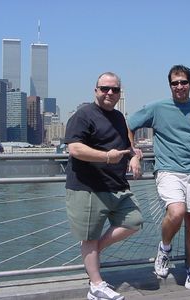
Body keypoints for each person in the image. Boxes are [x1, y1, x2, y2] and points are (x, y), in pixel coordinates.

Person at [127, 65, 190, 294]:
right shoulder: (157, 108)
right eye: (175, 83)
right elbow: (129, 125)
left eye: (183, 82)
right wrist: (133, 153)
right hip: (168, 170)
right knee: (177, 212)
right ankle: (165, 248)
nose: (179, 86)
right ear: (170, 85)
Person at [64, 72, 143, 300]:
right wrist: (107, 157)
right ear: (95, 90)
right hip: (87, 187)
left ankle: (94, 251)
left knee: (134, 221)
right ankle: (96, 286)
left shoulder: (118, 117)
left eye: (115, 89)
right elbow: (75, 149)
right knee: (88, 236)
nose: (109, 93)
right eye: (104, 88)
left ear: (120, 93)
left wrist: (134, 157)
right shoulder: (83, 115)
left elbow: (128, 146)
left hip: (116, 185)